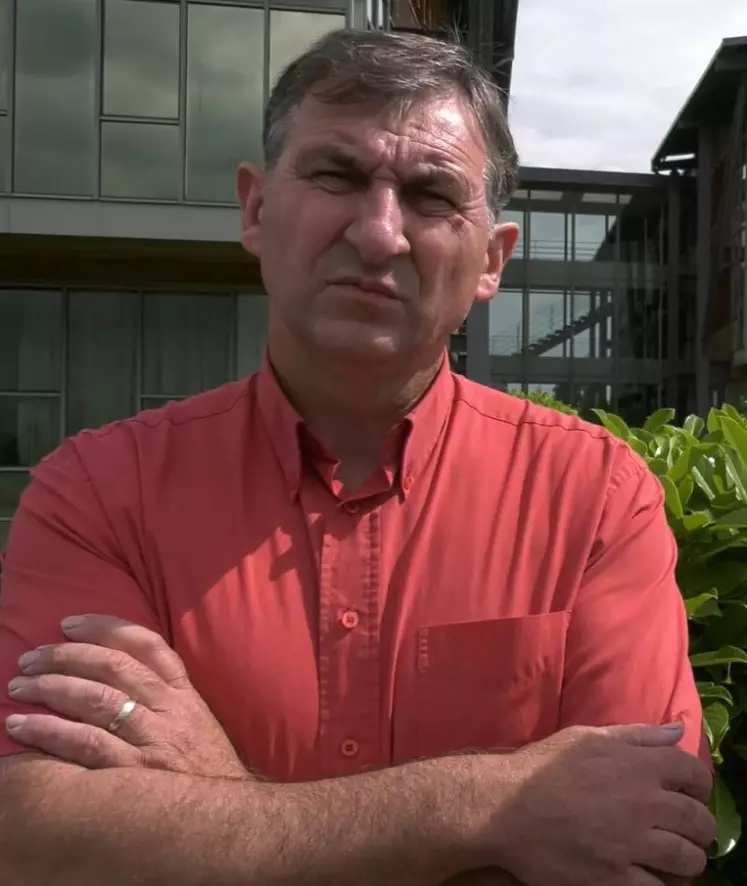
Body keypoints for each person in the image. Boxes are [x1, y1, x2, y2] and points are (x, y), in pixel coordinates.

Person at [0, 28, 715, 886]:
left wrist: (211, 804)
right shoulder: (98, 493)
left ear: (492, 260)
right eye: (337, 174)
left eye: (431, 194)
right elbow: (35, 837)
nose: (379, 234)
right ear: (256, 209)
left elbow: (639, 846)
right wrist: (490, 806)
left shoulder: (596, 497)